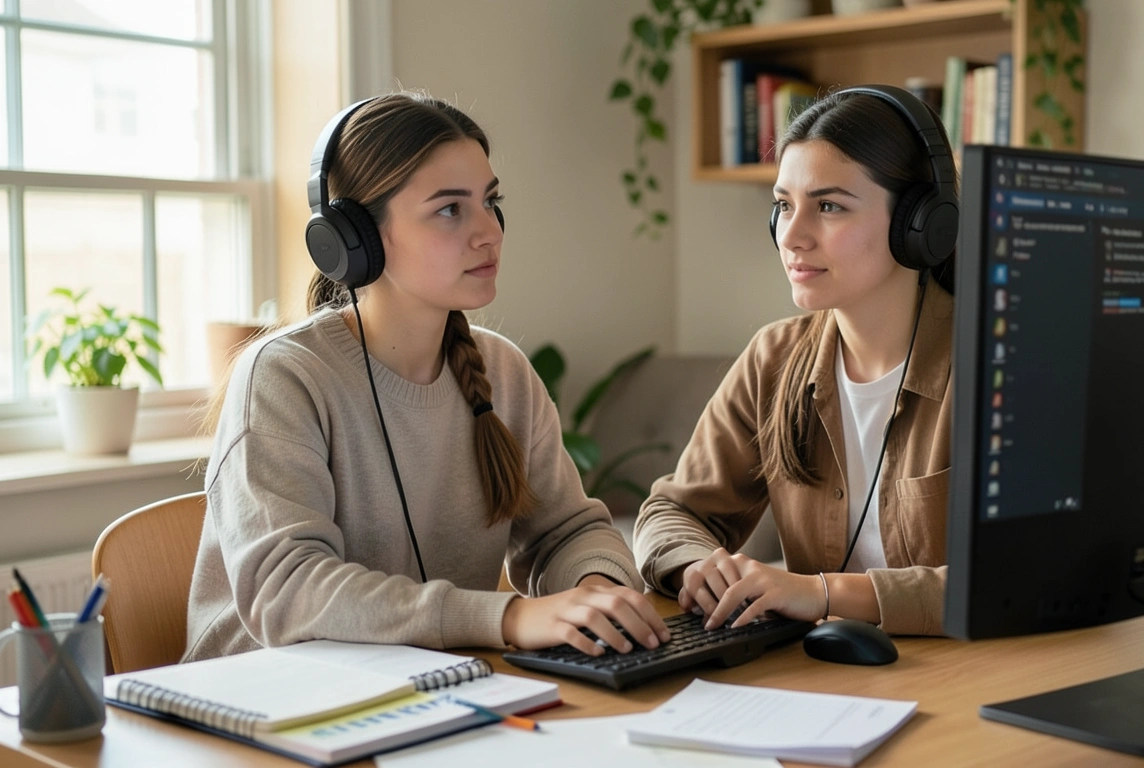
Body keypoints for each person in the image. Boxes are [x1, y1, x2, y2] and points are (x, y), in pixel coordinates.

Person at [184, 92, 669, 663]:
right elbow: (289, 594)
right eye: (450, 209)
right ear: (355, 238)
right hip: (266, 708)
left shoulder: (502, 372)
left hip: (427, 692)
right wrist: (509, 616)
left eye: (491, 202)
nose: (489, 231)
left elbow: (565, 531)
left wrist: (595, 591)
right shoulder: (284, 377)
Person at [633, 86, 956, 636]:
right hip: (822, 680)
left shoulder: (993, 365)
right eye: (784, 206)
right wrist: (699, 567)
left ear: (917, 223)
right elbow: (671, 512)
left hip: (973, 679)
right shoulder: (774, 358)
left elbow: (1022, 577)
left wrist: (819, 593)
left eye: (828, 206)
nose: (792, 236)